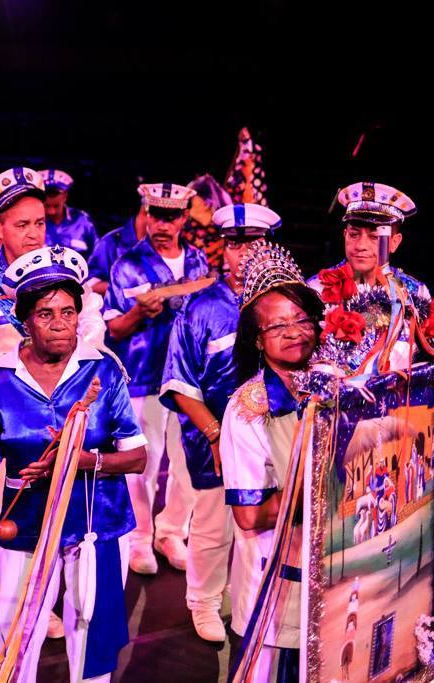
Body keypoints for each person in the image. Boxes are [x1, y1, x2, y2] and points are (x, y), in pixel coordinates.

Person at [0, 245, 146, 682]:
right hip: (24, 527)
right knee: (15, 638)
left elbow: (137, 458)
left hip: (97, 527)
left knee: (91, 636)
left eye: (68, 312)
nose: (60, 323)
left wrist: (79, 460)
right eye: (45, 314)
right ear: (24, 320)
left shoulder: (104, 371)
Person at [160, 203, 281, 642]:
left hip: (273, 439)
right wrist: (216, 435)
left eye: (253, 243)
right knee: (213, 524)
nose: (243, 253)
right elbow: (179, 383)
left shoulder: (284, 303)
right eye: (234, 244)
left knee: (262, 527)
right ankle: (204, 601)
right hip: (210, 437)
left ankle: (249, 600)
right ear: (223, 250)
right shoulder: (199, 308)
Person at [220, 240, 324, 681]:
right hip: (277, 584)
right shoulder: (248, 409)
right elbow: (249, 516)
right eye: (278, 326)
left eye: (301, 320)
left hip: (334, 575)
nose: (294, 332)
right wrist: (323, 487)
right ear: (257, 340)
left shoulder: (333, 386)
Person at [103, 182, 210, 575]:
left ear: (184, 219)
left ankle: (172, 532)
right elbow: (114, 328)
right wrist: (138, 313)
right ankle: (139, 538)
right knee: (143, 464)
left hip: (189, 379)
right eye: (156, 215)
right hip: (143, 376)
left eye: (171, 217)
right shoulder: (127, 264)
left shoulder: (199, 262)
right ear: (146, 215)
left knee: (188, 463)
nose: (163, 225)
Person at [0, 166, 106, 405]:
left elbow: (91, 321)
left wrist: (75, 368)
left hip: (65, 405)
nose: (34, 234)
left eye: (40, 223)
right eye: (22, 225)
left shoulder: (64, 269)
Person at [306, 182, 433, 373]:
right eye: (354, 234)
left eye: (374, 237)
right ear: (345, 235)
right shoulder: (316, 289)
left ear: (394, 242)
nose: (360, 246)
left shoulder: (415, 294)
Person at [85, 193, 148, 296]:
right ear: (146, 212)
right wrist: (131, 290)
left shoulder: (172, 244)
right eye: (163, 218)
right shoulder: (110, 243)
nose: (164, 226)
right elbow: (88, 285)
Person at [181, 174, 233, 272]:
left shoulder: (226, 229)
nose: (188, 200)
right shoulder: (184, 226)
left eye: (193, 197)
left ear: (206, 202)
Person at [40, 168, 98, 255]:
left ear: (65, 196)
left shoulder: (82, 219)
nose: (50, 198)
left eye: (55, 193)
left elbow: (97, 254)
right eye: (47, 193)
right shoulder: (32, 221)